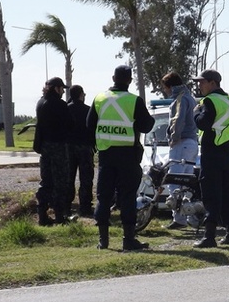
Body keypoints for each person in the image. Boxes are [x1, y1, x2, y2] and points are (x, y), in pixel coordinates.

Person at [87, 65, 155, 251]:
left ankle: (103, 240)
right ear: (130, 81)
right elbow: (147, 126)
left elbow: (89, 125)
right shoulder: (134, 101)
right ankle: (128, 239)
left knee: (104, 196)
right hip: (128, 155)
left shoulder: (99, 99)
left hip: (106, 154)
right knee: (127, 197)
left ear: (113, 78)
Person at [192, 69, 229, 248]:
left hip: (211, 153)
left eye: (202, 82)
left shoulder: (209, 101)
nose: (199, 86)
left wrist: (195, 112)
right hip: (228, 152)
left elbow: (203, 123)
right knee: (228, 194)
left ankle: (209, 236)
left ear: (213, 83)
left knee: (211, 195)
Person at [161, 71, 199, 229]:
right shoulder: (190, 97)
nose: (164, 91)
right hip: (192, 143)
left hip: (181, 143)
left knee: (174, 181)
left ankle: (179, 220)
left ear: (170, 86)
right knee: (186, 183)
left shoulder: (180, 99)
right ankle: (191, 217)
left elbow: (178, 120)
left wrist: (173, 139)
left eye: (165, 87)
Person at [33, 77, 73, 225]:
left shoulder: (40, 103)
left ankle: (42, 215)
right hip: (58, 147)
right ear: (56, 88)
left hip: (44, 147)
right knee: (60, 182)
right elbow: (70, 125)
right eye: (62, 88)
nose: (63, 91)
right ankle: (60, 216)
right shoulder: (60, 104)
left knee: (46, 181)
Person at [66, 85, 95, 216]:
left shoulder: (65, 110)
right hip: (85, 147)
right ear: (81, 95)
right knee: (86, 179)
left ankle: (66, 206)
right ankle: (85, 207)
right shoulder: (88, 110)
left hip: (68, 148)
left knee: (68, 178)